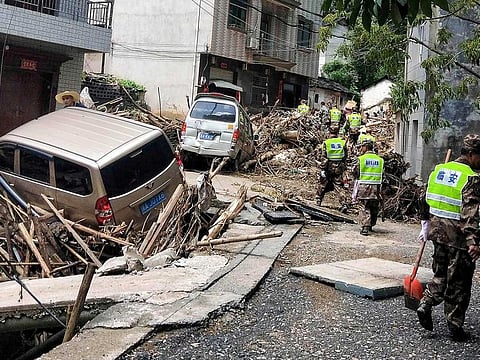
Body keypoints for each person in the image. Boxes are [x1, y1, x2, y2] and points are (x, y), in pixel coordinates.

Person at [416, 134, 480, 341]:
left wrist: (425, 223)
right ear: (471, 154)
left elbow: (423, 197)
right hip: (459, 238)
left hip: (437, 233)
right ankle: (454, 326)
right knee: (459, 282)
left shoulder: (439, 170)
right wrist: (473, 241)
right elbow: (470, 212)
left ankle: (426, 302)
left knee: (440, 272)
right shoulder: (471, 177)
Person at [352, 138, 384, 235]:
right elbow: (384, 174)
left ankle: (365, 226)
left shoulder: (361, 159)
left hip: (364, 186)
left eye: (362, 146)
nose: (361, 149)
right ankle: (371, 224)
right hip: (377, 187)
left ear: (365, 147)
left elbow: (355, 172)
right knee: (374, 206)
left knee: (364, 206)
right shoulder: (380, 160)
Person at [316, 126, 349, 212]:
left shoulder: (326, 143)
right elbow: (346, 155)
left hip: (328, 167)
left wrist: (322, 169)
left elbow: (323, 157)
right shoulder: (342, 142)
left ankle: (318, 200)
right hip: (339, 167)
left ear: (329, 133)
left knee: (323, 183)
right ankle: (344, 203)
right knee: (339, 185)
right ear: (337, 133)